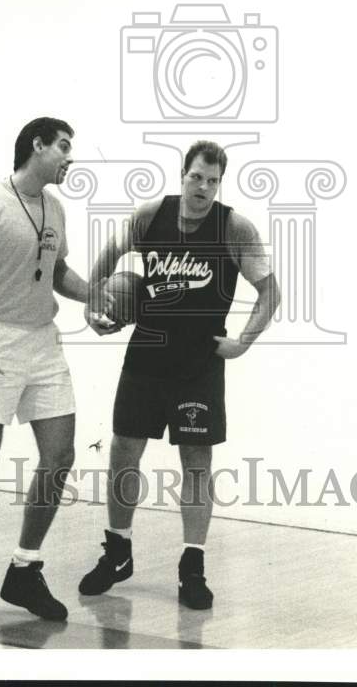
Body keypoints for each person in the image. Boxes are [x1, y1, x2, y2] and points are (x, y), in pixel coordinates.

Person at [80, 140, 281, 609]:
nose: (204, 188)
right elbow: (107, 257)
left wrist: (244, 341)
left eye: (213, 181)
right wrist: (94, 306)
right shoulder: (151, 215)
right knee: (123, 452)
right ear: (183, 174)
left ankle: (193, 566)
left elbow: (271, 291)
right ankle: (117, 552)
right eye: (197, 177)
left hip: (199, 363)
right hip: (147, 352)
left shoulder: (234, 228)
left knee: (196, 464)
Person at [0, 116, 98, 636]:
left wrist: (97, 296)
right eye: (64, 147)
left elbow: (56, 274)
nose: (71, 157)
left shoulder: (55, 207)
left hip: (42, 342)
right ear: (38, 145)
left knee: (60, 453)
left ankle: (25, 570)